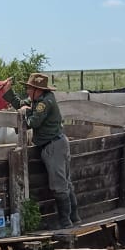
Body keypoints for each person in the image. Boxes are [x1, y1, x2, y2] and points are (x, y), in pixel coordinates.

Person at [22, 72, 79, 229]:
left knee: (59, 184)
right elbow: (23, 104)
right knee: (65, 182)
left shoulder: (44, 103)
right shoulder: (43, 99)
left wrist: (25, 113)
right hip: (58, 143)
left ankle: (66, 222)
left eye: (29, 88)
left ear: (37, 89)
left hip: (52, 146)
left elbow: (33, 122)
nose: (27, 91)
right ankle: (74, 217)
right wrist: (9, 95)